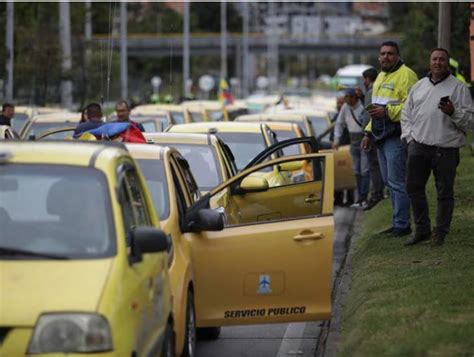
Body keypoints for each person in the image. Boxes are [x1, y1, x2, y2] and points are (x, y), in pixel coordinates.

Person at [401, 48, 474, 247]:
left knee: (444, 192)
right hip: (419, 146)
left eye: (442, 59)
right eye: (434, 59)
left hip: (446, 149)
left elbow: (470, 122)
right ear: (429, 62)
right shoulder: (419, 86)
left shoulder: (458, 88)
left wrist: (453, 112)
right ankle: (422, 230)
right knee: (413, 188)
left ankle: (439, 233)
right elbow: (406, 115)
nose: (438, 63)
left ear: (447, 63)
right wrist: (409, 138)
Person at [361, 41, 418, 237]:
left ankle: (403, 225)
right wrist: (368, 133)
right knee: (389, 182)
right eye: (383, 54)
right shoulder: (381, 77)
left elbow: (413, 108)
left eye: (390, 54)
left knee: (397, 182)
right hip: (380, 136)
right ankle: (397, 222)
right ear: (379, 57)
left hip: (396, 134)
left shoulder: (407, 75)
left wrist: (387, 112)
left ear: (398, 56)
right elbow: (374, 111)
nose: (386, 57)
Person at [333, 88, 369, 209]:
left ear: (355, 98)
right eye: (346, 98)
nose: (347, 100)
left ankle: (364, 197)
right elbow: (339, 123)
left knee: (365, 170)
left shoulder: (363, 106)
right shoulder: (345, 107)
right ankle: (359, 198)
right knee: (357, 171)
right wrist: (336, 139)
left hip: (364, 139)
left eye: (349, 98)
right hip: (353, 141)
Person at [360, 67, 385, 210]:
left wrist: (366, 134)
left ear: (368, 79)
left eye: (364, 79)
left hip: (371, 134)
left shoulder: (371, 91)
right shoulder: (378, 89)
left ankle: (376, 194)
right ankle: (380, 192)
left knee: (374, 165)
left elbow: (368, 114)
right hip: (379, 132)